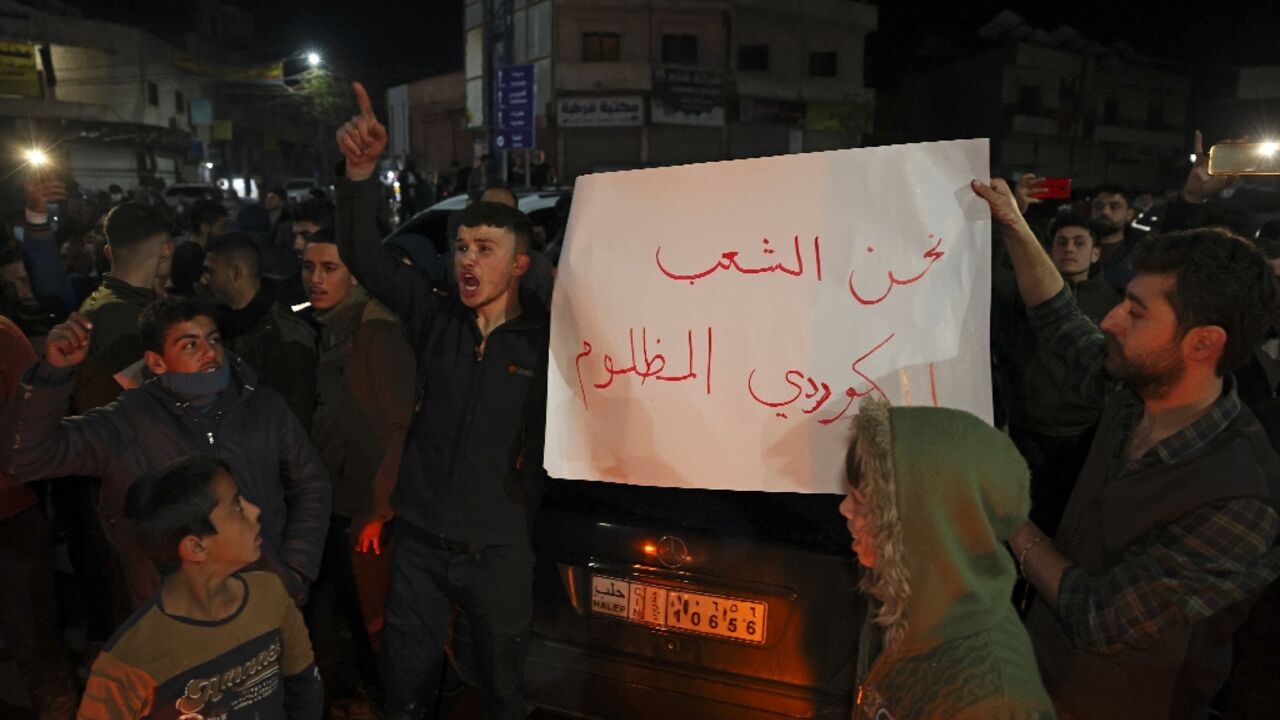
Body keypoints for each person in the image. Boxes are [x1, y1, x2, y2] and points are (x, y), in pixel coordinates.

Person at [972, 177, 1280, 719]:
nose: (1110, 318)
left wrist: (1002, 511)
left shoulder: (1245, 498)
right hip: (1038, 683)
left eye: (1136, 312)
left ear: (1203, 342)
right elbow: (1061, 320)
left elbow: (1098, 615)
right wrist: (1014, 224)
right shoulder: (1136, 392)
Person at [336, 81, 548, 720]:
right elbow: (362, 255)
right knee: (408, 685)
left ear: (518, 265)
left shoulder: (548, 344)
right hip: (423, 544)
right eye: (460, 247)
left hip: (501, 550)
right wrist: (360, 173)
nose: (467, 261)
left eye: (485, 249)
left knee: (504, 692)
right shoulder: (434, 321)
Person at [6, 296, 330, 606]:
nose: (209, 353)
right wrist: (52, 375)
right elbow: (26, 459)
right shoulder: (128, 422)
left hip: (268, 599)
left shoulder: (263, 406)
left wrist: (295, 568)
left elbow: (310, 483)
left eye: (213, 339)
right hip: (179, 619)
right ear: (156, 362)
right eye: (190, 344)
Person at [840, 398, 1055, 719]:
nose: (844, 509)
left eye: (862, 501)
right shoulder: (920, 617)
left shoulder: (993, 704)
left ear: (925, 522)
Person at [78, 455, 323, 719]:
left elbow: (303, 683)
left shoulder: (269, 592)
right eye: (237, 507)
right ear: (196, 547)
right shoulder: (129, 659)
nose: (254, 511)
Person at [302, 227, 415, 715]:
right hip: (341, 494)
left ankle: (385, 701)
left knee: (373, 617)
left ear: (355, 275)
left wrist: (379, 509)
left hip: (366, 504)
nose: (315, 279)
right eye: (309, 267)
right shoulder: (334, 323)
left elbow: (400, 426)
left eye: (329, 268)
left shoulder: (375, 330)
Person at [1006, 213, 1121, 536]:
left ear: (1096, 253)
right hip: (1028, 431)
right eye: (1062, 242)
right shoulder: (1021, 297)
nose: (1070, 249)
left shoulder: (1117, 305)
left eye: (1080, 242)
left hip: (1084, 436)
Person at [202, 232, 318, 429]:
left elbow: (294, 421)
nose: (204, 280)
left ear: (235, 273)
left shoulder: (285, 338)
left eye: (210, 272)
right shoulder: (215, 326)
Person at [72, 201, 172, 413]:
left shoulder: (103, 302)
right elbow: (159, 399)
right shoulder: (120, 316)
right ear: (166, 251)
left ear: (108, 252)